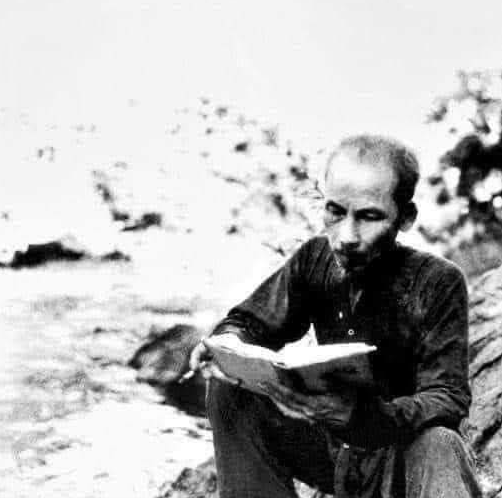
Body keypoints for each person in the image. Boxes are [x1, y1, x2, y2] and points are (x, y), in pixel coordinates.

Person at [190, 135, 482, 498]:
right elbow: (250, 323)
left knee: (440, 442)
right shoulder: (315, 259)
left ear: (406, 218)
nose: (346, 236)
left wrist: (365, 417)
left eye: (369, 216)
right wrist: (225, 343)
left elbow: (448, 397)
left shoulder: (438, 281)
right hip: (332, 453)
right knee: (229, 389)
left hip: (399, 458)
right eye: (335, 211)